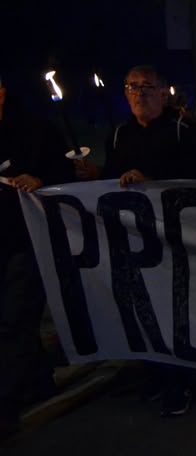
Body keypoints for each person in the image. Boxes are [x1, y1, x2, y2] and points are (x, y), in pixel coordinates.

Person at [75, 65, 196, 417]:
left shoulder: (186, 130)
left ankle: (181, 381)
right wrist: (94, 177)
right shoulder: (119, 135)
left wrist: (152, 182)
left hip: (177, 240)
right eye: (132, 87)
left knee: (175, 310)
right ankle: (155, 372)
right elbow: (112, 181)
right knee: (143, 309)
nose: (140, 93)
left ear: (165, 91)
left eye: (148, 86)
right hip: (133, 242)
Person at [0, 79, 74, 439]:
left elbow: (66, 176)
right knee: (15, 322)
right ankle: (38, 381)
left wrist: (39, 179)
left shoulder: (35, 130)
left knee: (14, 319)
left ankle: (7, 404)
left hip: (27, 239)